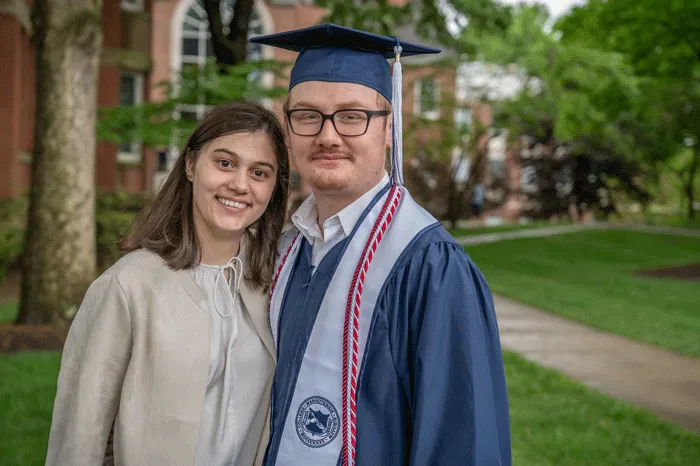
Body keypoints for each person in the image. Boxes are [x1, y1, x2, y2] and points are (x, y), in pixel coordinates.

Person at [250, 24, 511, 465]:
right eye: (308, 116)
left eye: (352, 116)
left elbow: (465, 445)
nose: (328, 136)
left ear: (389, 129)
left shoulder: (431, 268)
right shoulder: (284, 251)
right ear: (288, 126)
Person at [45, 101, 289, 466]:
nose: (240, 184)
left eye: (259, 173)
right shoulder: (128, 287)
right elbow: (80, 436)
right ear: (191, 165)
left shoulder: (276, 282)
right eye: (225, 163)